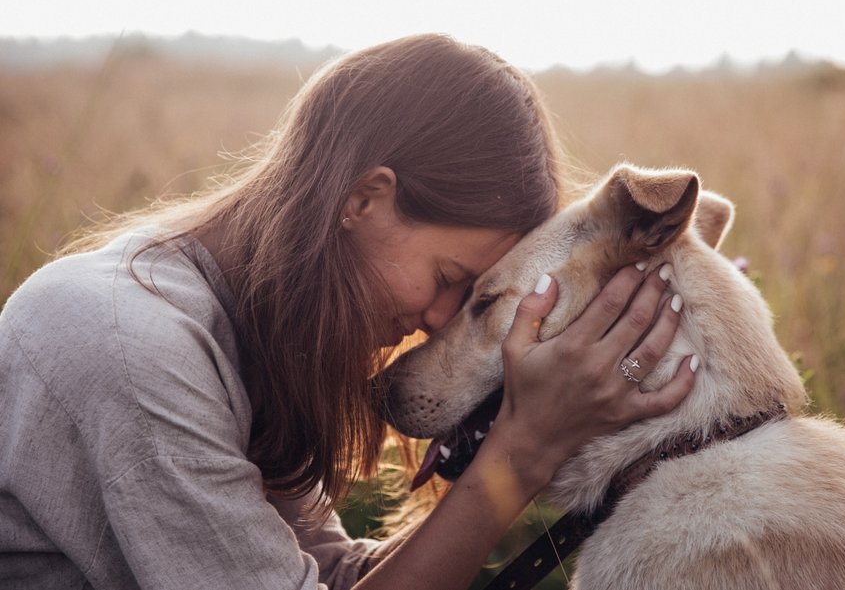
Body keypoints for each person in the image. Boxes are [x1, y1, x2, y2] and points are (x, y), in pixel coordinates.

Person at [0, 34, 697, 590]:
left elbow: (332, 580)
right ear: (365, 198)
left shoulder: (237, 329)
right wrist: (523, 448)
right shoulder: (135, 350)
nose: (438, 319)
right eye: (450, 278)